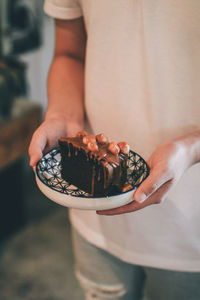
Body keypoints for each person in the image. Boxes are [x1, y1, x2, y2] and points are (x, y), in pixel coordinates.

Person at [29, 1, 200, 299]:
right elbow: (69, 52)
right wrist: (62, 116)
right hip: (91, 204)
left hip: (190, 226)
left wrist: (191, 147)